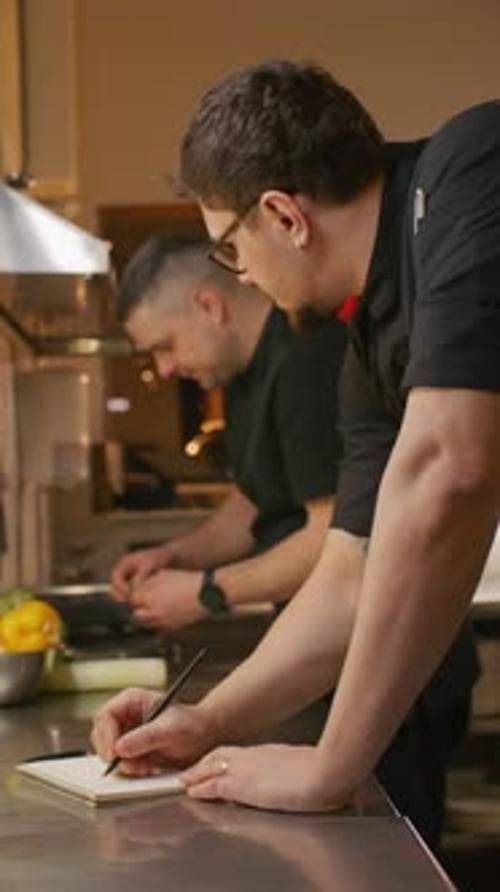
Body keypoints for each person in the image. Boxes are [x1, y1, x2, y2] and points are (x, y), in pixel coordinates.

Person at [92, 62, 499, 848]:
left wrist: (330, 765)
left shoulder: (472, 168)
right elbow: (349, 570)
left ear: (281, 214)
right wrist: (209, 719)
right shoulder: (370, 352)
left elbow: (453, 469)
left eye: (228, 248)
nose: (238, 273)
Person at [109, 236, 347, 629]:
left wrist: (208, 591)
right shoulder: (240, 373)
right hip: (317, 637)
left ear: (209, 306)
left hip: (381, 649)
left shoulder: (307, 360)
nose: (164, 369)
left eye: (165, 346)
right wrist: (175, 556)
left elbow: (336, 536)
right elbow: (253, 501)